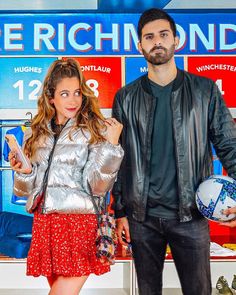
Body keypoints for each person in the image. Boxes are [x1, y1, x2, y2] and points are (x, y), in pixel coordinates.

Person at [112, 8, 236, 295]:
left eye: (163, 35)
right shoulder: (125, 97)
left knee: (199, 291)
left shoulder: (205, 91)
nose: (157, 41)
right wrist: (120, 211)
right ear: (139, 45)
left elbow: (229, 146)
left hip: (191, 216)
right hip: (141, 219)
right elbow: (118, 160)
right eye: (149, 37)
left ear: (176, 40)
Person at [9, 58, 124, 295]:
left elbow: (98, 186)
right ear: (51, 97)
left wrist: (111, 146)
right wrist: (24, 172)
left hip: (79, 224)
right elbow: (24, 190)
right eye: (64, 93)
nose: (73, 100)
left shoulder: (95, 129)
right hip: (46, 223)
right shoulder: (37, 132)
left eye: (77, 93)